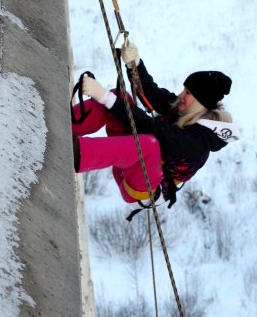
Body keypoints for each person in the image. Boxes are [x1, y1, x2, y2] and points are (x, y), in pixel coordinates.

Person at [71, 42, 239, 206]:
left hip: (143, 187)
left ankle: (77, 152)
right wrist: (134, 64)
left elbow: (152, 129)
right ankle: (70, 124)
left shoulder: (197, 143)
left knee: (149, 143)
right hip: (132, 162)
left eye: (187, 93)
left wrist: (103, 96)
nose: (181, 95)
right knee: (120, 97)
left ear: (199, 103)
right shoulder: (184, 111)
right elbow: (152, 93)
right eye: (184, 89)